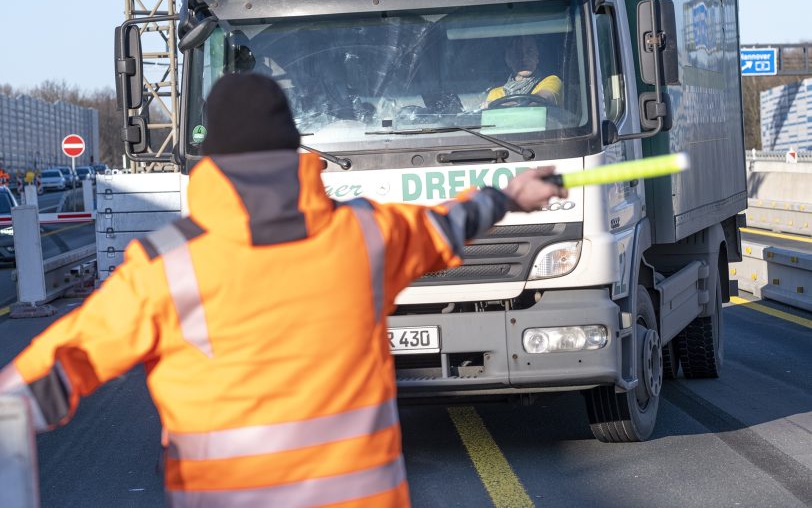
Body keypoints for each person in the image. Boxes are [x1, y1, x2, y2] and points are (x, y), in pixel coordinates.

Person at [0, 73, 566, 508]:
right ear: (294, 147)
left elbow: (44, 380)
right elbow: (449, 223)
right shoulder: (367, 236)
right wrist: (511, 195)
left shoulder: (164, 269)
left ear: (213, 156)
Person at [484, 36, 563, 108]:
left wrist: (498, 105)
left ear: (537, 57)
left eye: (529, 52)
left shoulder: (552, 81)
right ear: (508, 60)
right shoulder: (495, 94)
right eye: (518, 53)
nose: (524, 58)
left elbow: (540, 101)